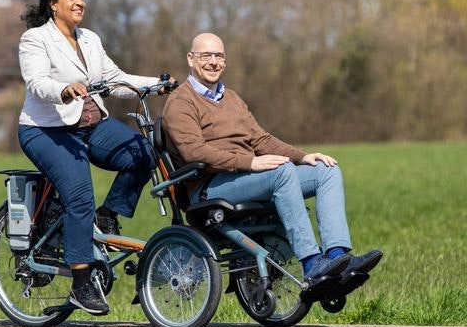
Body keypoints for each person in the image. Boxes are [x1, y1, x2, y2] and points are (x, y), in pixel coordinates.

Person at [162, 32, 383, 301]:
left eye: (219, 56)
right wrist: (250, 162)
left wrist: (302, 157)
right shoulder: (180, 102)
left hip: (245, 178)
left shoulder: (231, 98)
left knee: (327, 170)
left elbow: (261, 139)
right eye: (206, 55)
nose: (213, 62)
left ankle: (338, 258)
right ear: (191, 59)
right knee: (281, 172)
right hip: (209, 186)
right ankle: (312, 264)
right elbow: (193, 151)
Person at [17, 0, 171, 316]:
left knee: (145, 153)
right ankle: (81, 283)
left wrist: (155, 84)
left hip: (91, 126)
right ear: (52, 4)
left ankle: (109, 214)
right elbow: (37, 80)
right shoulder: (35, 40)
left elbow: (114, 79)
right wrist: (64, 89)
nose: (79, 2)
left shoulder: (89, 39)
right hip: (47, 131)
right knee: (79, 195)